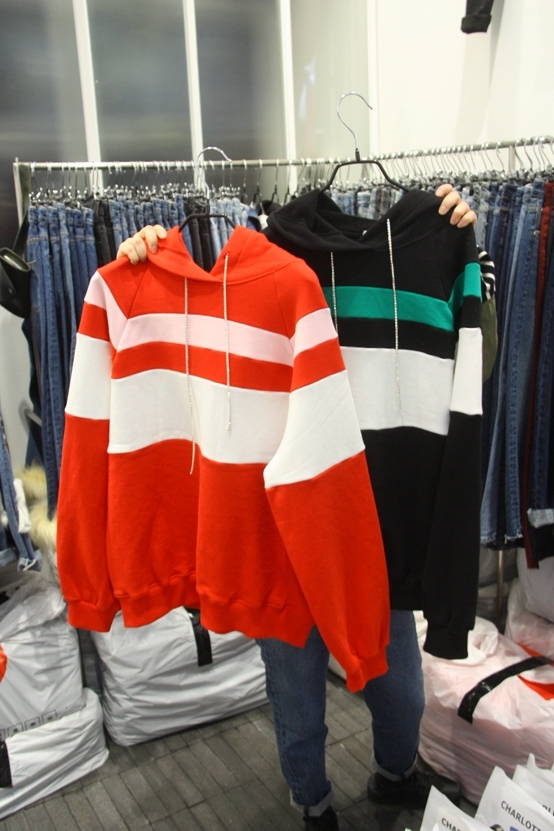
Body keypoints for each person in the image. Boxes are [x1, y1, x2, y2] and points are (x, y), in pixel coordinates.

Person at [116, 184, 478, 831]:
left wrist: (467, 244)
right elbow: (199, 299)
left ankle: (395, 775)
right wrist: (145, 254)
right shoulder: (271, 249)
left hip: (374, 521)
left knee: (400, 690)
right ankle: (312, 805)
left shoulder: (436, 242)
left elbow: (478, 364)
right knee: (297, 695)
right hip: (276, 520)